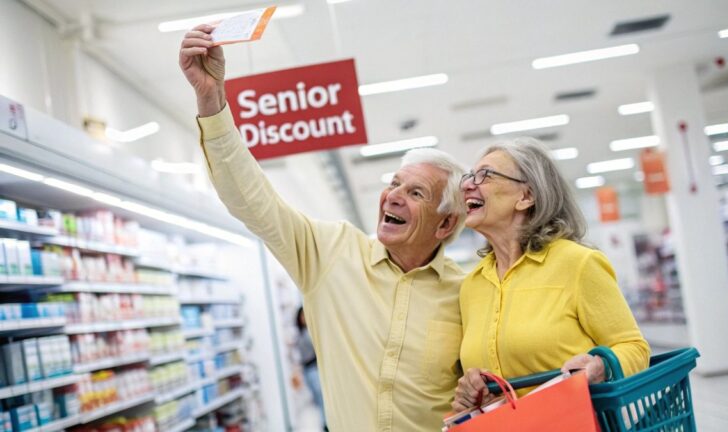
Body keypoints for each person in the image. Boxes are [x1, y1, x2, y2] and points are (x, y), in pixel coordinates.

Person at [179, 24, 467, 431]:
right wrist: (211, 99)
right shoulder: (330, 253)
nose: (394, 196)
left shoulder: (465, 292)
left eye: (416, 193)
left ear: (446, 223)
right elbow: (251, 200)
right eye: (393, 184)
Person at [451, 138, 650, 412]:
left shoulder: (577, 263)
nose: (467, 184)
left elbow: (634, 347)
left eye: (485, 174)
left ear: (526, 196)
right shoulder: (472, 285)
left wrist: (601, 366)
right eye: (469, 176)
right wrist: (470, 389)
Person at [295, 306, 327, 431]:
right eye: (302, 316)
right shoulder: (303, 334)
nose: (305, 318)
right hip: (310, 370)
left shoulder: (310, 332)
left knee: (321, 398)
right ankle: (325, 424)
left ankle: (326, 423)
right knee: (320, 399)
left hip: (314, 368)